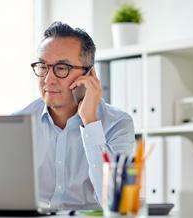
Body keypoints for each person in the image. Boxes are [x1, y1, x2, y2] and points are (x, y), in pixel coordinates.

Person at [15, 21, 135, 210]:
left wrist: (90, 123)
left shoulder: (118, 124)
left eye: (61, 68)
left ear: (89, 75)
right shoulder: (18, 123)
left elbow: (115, 202)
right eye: (43, 67)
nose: (48, 79)